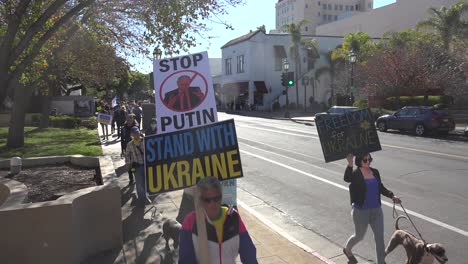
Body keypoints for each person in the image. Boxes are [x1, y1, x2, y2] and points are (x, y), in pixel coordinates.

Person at [179, 177, 257, 264]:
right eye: (207, 200)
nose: (213, 204)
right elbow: (185, 259)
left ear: (221, 196)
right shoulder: (190, 221)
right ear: (200, 200)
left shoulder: (232, 216)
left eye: (216, 199)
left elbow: (249, 252)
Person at [343, 153, 401, 264]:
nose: (368, 162)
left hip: (376, 211)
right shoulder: (356, 174)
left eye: (370, 159)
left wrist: (392, 196)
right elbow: (347, 178)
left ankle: (381, 262)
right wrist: (350, 164)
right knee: (359, 236)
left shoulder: (375, 172)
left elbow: (381, 187)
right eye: (365, 160)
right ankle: (347, 249)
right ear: (359, 161)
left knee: (380, 238)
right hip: (361, 212)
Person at [125, 126, 147, 207]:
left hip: (146, 166)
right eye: (134, 133)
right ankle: (142, 200)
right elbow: (127, 155)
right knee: (139, 183)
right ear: (131, 135)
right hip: (137, 166)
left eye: (137, 132)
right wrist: (128, 164)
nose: (136, 135)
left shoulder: (145, 141)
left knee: (145, 182)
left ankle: (145, 196)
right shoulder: (129, 144)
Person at [121, 115, 139, 183]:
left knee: (135, 164)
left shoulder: (136, 127)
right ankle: (131, 178)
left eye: (130, 120)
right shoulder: (124, 128)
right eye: (128, 120)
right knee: (129, 164)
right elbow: (122, 140)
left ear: (133, 120)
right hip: (127, 148)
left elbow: (139, 137)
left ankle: (135, 175)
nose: (129, 122)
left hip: (136, 148)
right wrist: (122, 150)